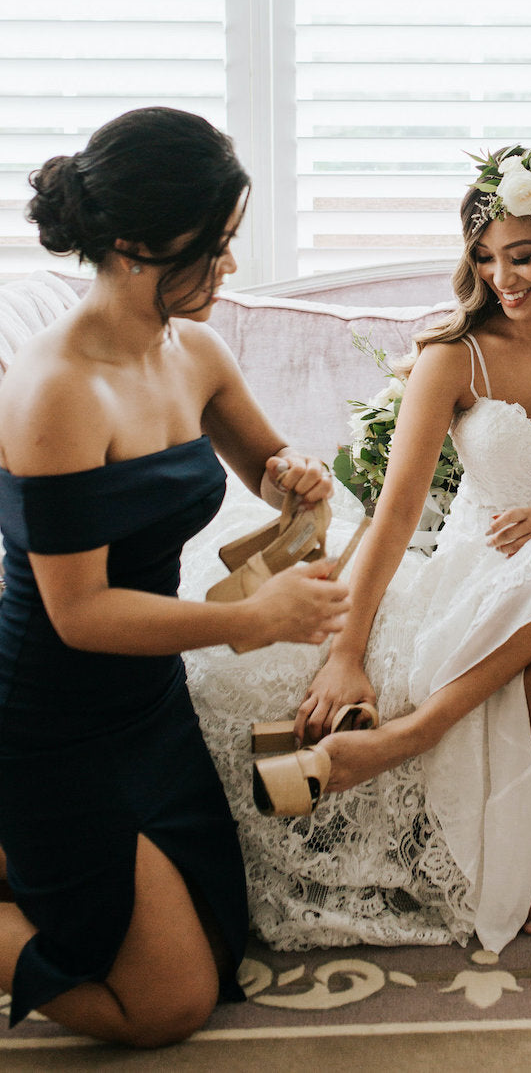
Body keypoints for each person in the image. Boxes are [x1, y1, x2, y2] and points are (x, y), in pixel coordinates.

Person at [184, 146, 531, 954]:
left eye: (522, 255)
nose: (503, 277)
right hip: (491, 580)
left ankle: (408, 736)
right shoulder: (453, 353)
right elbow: (396, 516)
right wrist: (348, 653)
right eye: (485, 257)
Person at [0, 108, 349, 1047]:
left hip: (147, 702)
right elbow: (78, 614)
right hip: (54, 719)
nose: (231, 268)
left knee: (222, 946)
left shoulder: (195, 349)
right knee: (168, 1007)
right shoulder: (55, 390)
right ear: (135, 243)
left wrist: (294, 479)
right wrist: (251, 620)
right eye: (217, 246)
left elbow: (267, 460)